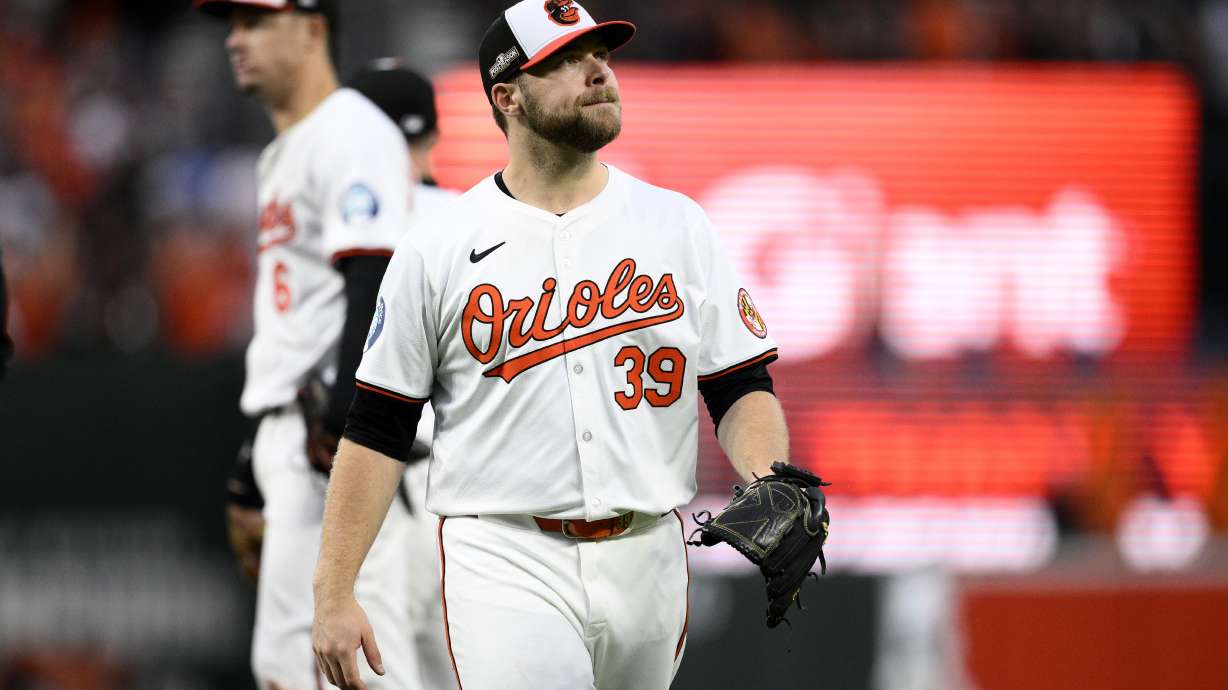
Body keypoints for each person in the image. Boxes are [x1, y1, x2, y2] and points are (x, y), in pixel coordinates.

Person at [312, 1, 788, 689]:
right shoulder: (438, 244)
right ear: (507, 97)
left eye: (600, 55)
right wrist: (333, 591)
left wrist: (768, 477)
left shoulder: (677, 225)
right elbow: (378, 425)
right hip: (506, 553)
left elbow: (740, 387)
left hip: (651, 550)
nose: (597, 71)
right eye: (564, 62)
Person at [193, 1, 421, 688]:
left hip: (334, 450)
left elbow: (375, 276)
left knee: (356, 667)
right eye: (232, 24)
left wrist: (346, 422)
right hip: (297, 433)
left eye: (256, 21)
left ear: (314, 28)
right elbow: (310, 315)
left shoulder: (350, 128)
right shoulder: (289, 146)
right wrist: (257, 449)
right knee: (289, 668)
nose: (237, 39)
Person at [346, 60, 459, 690]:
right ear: (434, 136)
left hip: (381, 489)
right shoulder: (478, 222)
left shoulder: (351, 219)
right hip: (475, 502)